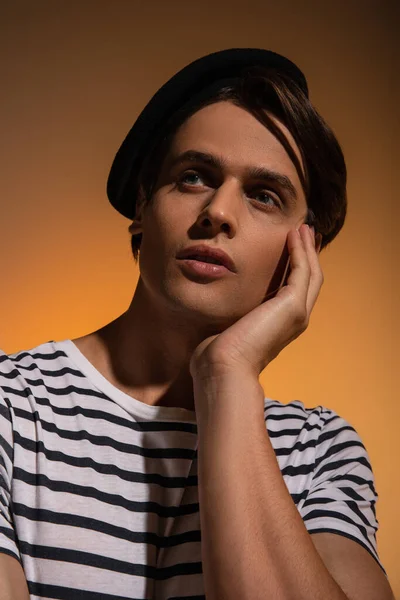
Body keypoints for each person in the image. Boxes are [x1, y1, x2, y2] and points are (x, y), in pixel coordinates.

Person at [0, 48, 394, 600]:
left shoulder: (319, 448)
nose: (219, 212)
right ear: (142, 207)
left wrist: (226, 374)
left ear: (304, 252)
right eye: (193, 177)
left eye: (263, 195)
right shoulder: (12, 406)